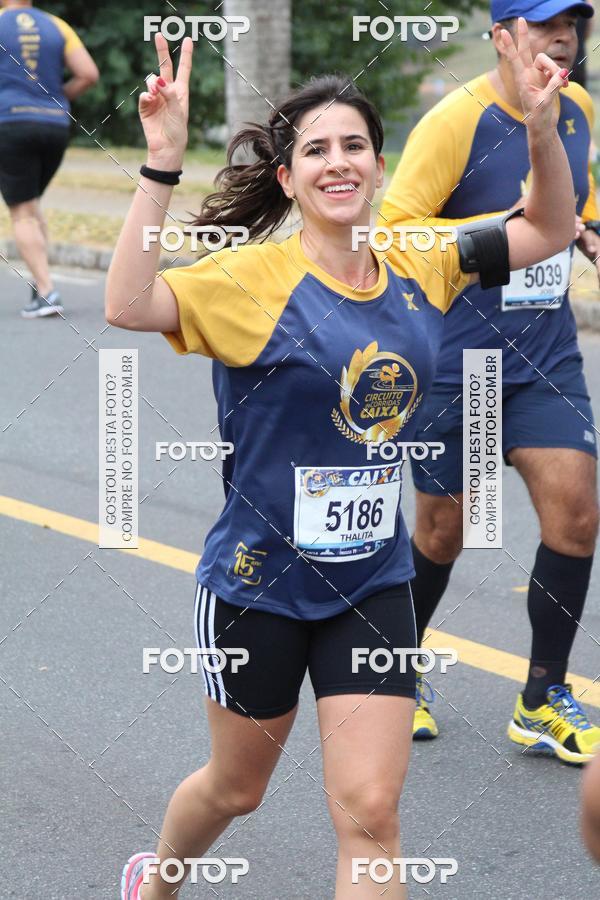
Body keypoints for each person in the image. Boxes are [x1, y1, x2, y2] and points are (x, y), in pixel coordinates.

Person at [107, 22, 574, 900]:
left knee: (371, 813)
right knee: (236, 790)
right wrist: (162, 161)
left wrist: (540, 133)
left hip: (371, 582)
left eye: (354, 144)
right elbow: (129, 301)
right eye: (315, 150)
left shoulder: (419, 260)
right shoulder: (248, 279)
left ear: (377, 164)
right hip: (258, 585)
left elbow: (547, 228)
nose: (338, 162)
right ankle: (160, 877)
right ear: (287, 177)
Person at [379, 0, 600, 765]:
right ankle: (395, 671)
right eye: (544, 25)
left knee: (576, 512)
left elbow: (581, 199)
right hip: (458, 359)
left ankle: (541, 698)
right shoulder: (457, 122)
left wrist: (589, 231)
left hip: (546, 356)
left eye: (574, 22)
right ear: (504, 37)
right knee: (445, 529)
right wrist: (499, 234)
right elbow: (395, 231)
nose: (564, 37)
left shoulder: (577, 109)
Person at [0, 0, 98, 318]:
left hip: (10, 122)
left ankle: (46, 292)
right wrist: (55, 99)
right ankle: (40, 281)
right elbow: (88, 74)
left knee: (23, 212)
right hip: (54, 125)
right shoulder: (57, 25)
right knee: (31, 205)